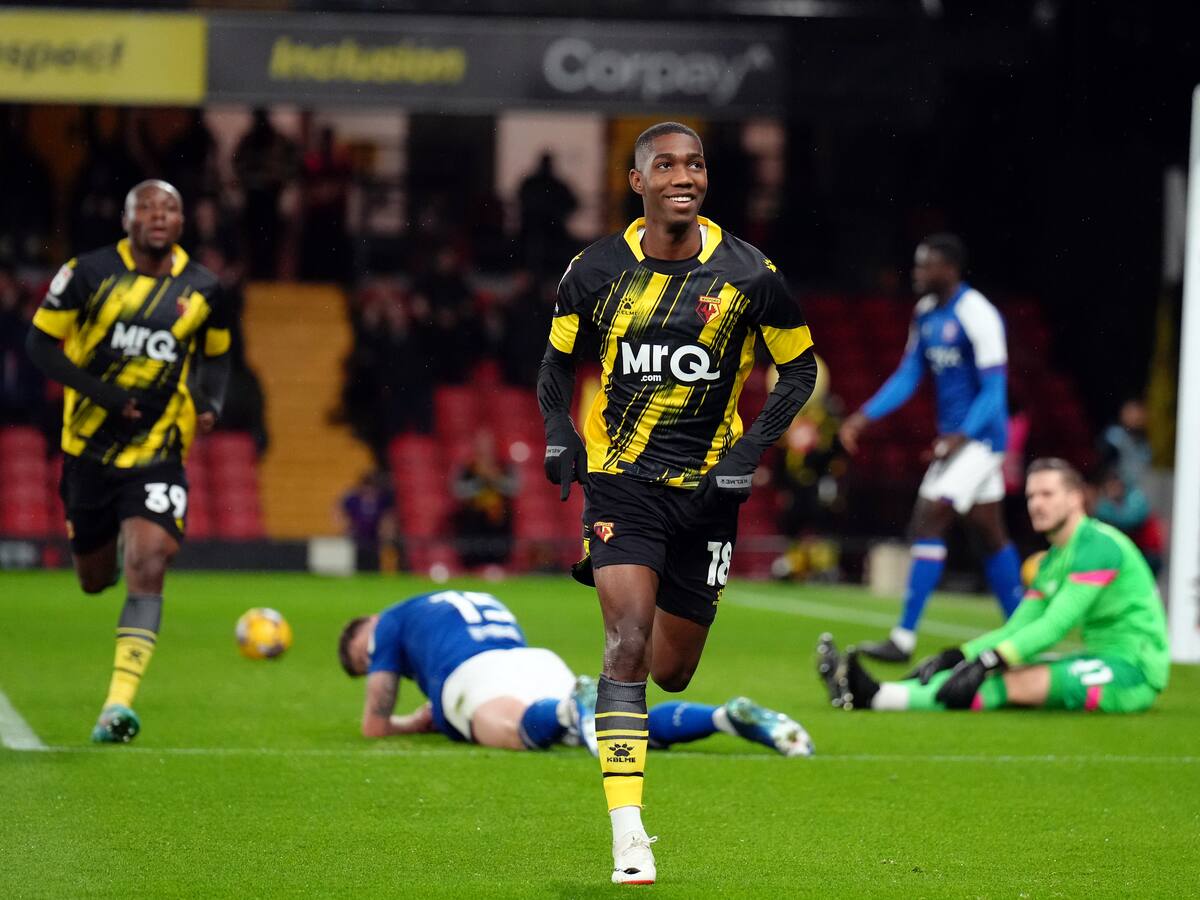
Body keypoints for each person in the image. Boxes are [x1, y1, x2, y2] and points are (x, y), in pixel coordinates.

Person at [536, 122, 817, 884]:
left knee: (672, 671)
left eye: (694, 164)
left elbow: (799, 371)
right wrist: (561, 433)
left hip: (707, 498)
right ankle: (628, 832)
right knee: (624, 640)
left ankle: (648, 704)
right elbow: (555, 369)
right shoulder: (593, 271)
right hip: (621, 483)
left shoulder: (752, 274)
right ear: (638, 182)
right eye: (665, 165)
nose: (682, 176)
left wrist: (748, 453)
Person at [25, 180, 231, 743]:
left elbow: (217, 355)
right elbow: (39, 346)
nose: (158, 216)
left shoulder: (205, 287)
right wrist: (103, 393)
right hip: (89, 452)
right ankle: (108, 547)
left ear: (183, 222)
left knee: (151, 561)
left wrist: (210, 404)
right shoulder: (88, 274)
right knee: (95, 580)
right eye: (146, 208)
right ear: (127, 220)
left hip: (160, 452)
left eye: (169, 208)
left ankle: (116, 707)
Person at [816, 458, 1169, 715]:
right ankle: (873, 689)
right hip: (1100, 657)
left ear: (1076, 498)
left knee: (1017, 681)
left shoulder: (1097, 546)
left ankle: (875, 697)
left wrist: (988, 660)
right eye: (1032, 496)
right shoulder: (1051, 560)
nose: (1036, 504)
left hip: (1133, 671)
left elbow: (1054, 626)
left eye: (1047, 494)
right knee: (997, 669)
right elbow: (1018, 627)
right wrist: (958, 655)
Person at [337, 589, 813, 761]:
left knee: (508, 728)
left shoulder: (390, 622)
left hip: (471, 677)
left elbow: (374, 726)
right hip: (535, 660)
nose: (374, 664)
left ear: (370, 629)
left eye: (364, 656)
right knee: (617, 729)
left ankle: (568, 711)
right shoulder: (469, 602)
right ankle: (725, 717)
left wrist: (411, 721)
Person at [838, 234, 1024, 663]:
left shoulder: (979, 315)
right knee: (990, 532)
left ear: (950, 269)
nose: (918, 273)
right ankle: (1022, 629)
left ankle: (903, 638)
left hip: (981, 440)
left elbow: (996, 389)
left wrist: (962, 434)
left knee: (930, 517)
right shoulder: (924, 315)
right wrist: (864, 416)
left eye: (926, 266)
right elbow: (908, 375)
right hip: (956, 440)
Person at [450, 430, 518, 569]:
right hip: (473, 524)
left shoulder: (504, 466)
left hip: (499, 524)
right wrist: (480, 481)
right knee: (473, 562)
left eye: (488, 445)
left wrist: (495, 479)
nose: (485, 449)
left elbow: (514, 488)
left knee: (497, 563)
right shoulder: (467, 467)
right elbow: (458, 491)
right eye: (481, 445)